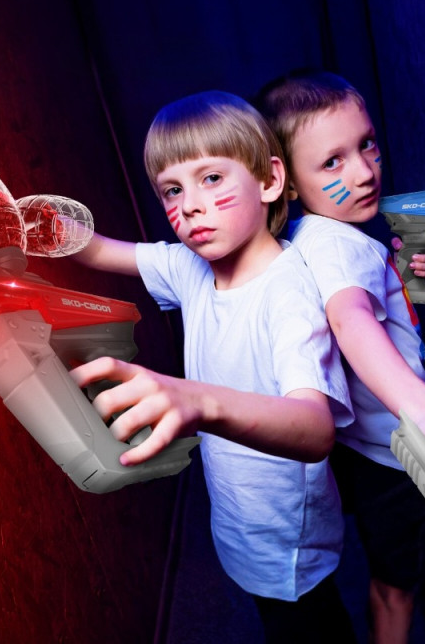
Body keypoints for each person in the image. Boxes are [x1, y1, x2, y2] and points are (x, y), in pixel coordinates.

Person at [253, 71, 425, 644]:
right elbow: (350, 319)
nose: (363, 171)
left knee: (400, 564)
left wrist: (399, 275)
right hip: (396, 455)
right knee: (398, 586)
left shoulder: (312, 234)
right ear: (285, 181)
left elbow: (361, 302)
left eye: (367, 144)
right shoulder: (339, 244)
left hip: (363, 447)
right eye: (331, 162)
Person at [68, 91, 357, 643]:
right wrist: (22, 222)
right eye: (173, 190)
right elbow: (99, 250)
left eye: (212, 178)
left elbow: (315, 428)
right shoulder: (189, 267)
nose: (191, 206)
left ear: (270, 180)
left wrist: (199, 400)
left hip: (289, 548)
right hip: (238, 523)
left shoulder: (289, 293)